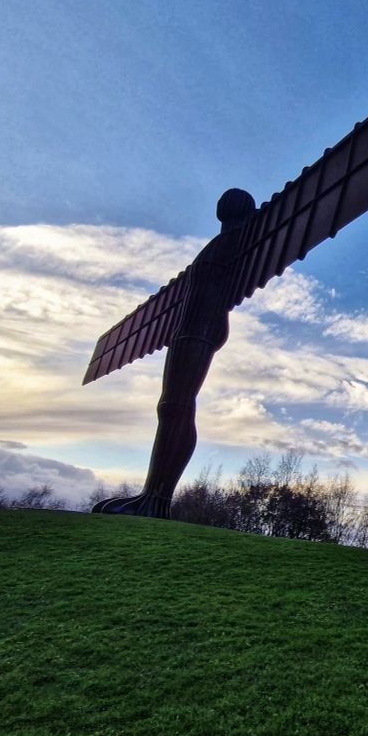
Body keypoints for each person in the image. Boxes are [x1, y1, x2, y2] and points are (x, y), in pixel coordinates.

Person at [93, 188, 257, 518]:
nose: (224, 204)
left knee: (177, 404)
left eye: (231, 202)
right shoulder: (215, 246)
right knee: (170, 405)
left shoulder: (244, 240)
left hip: (202, 327)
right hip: (186, 329)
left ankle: (157, 500)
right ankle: (152, 496)